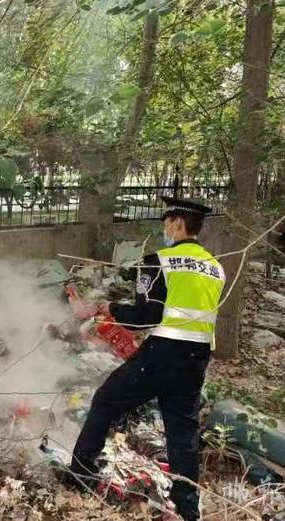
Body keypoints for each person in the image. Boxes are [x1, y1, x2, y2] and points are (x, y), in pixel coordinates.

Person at [66, 196, 226, 521]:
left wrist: (112, 308)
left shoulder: (158, 260)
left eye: (167, 222)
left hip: (162, 354)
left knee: (105, 401)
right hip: (197, 358)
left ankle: (80, 475)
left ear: (178, 223)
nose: (164, 228)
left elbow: (144, 318)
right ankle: (187, 508)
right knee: (183, 432)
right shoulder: (215, 267)